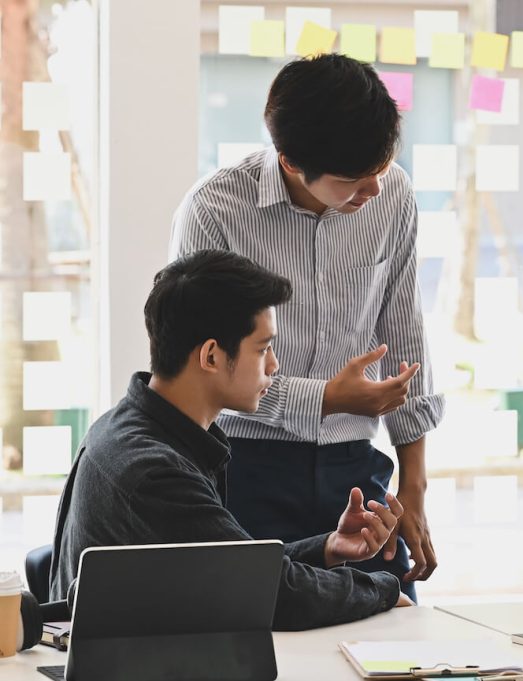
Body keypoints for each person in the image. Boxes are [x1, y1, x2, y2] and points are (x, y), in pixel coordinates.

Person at [169, 54, 444, 600]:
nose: (373, 190)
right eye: (353, 181)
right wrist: (325, 397)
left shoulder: (394, 197)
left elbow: (405, 334)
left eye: (382, 169)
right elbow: (199, 372)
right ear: (292, 163)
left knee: (393, 632)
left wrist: (414, 484)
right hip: (242, 468)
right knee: (256, 635)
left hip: (355, 473)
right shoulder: (215, 211)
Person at [50, 250, 413, 630]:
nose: (273, 366)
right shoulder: (154, 471)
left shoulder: (123, 427)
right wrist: (382, 590)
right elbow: (269, 593)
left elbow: (232, 564)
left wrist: (327, 548)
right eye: (262, 348)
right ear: (211, 356)